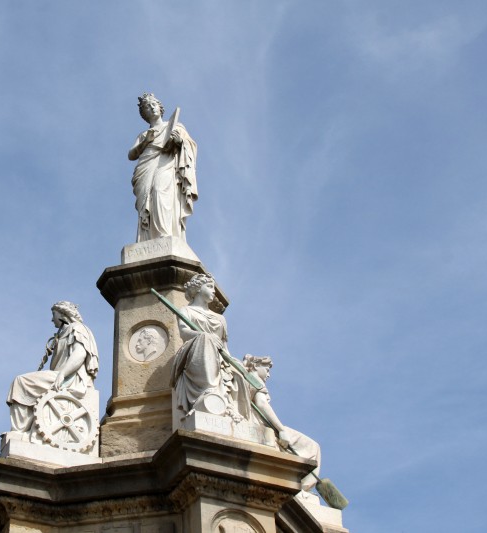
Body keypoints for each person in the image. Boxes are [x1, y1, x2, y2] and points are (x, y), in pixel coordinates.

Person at [6, 301, 99, 433]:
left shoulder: (77, 328)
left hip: (70, 378)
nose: (51, 319)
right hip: (61, 375)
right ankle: (23, 429)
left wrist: (62, 374)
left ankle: (19, 430)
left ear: (62, 314)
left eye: (53, 314)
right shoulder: (63, 332)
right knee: (21, 383)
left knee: (21, 382)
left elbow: (80, 354)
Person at [242, 355, 322, 492]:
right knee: (313, 447)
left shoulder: (245, 378)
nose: (268, 374)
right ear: (255, 366)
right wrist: (281, 430)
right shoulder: (255, 381)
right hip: (264, 425)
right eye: (267, 369)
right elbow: (261, 404)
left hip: (260, 424)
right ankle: (302, 489)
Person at [128, 93, 198, 242]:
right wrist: (146, 141)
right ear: (144, 114)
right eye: (147, 107)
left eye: (153, 104)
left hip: (166, 163)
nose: (151, 108)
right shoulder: (144, 134)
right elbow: (131, 154)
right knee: (147, 199)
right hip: (146, 166)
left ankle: (165, 233)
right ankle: (147, 239)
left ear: (160, 107)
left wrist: (179, 142)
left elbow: (189, 146)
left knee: (160, 192)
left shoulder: (175, 126)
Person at [171, 274, 241, 419]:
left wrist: (235, 364)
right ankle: (209, 390)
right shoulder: (186, 311)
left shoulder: (220, 318)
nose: (214, 291)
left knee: (240, 370)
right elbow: (184, 333)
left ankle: (234, 408)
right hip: (193, 351)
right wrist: (205, 336)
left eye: (214, 288)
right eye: (209, 286)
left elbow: (225, 347)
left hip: (219, 355)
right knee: (205, 340)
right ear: (197, 288)